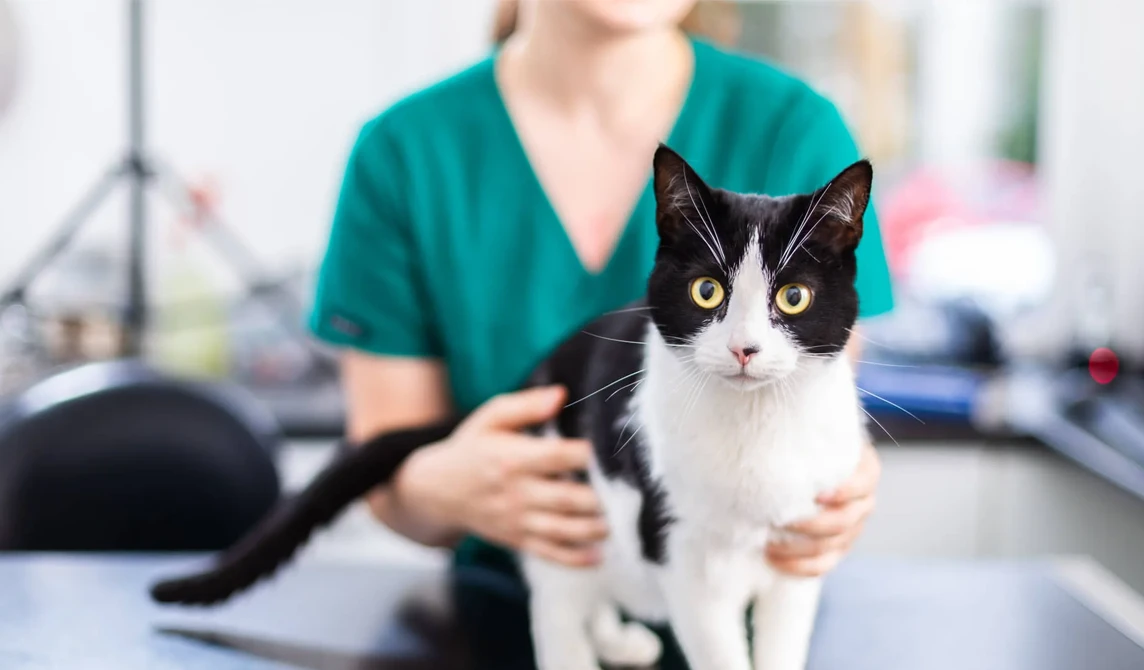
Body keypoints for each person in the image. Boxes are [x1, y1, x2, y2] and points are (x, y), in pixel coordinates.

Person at [310, 0, 890, 600]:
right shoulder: (404, 155)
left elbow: (814, 407)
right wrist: (441, 489)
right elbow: (385, 478)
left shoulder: (795, 131)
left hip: (738, 609)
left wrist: (838, 487)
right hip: (514, 613)